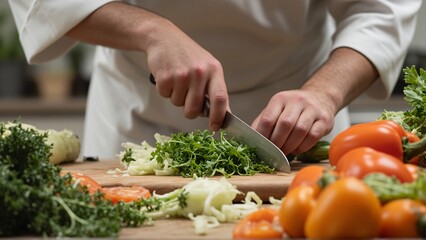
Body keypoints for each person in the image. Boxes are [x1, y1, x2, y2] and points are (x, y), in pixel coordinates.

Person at [8, 0, 421, 160]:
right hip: (137, 116)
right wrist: (152, 31)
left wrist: (325, 91)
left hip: (296, 125)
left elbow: (381, 8)